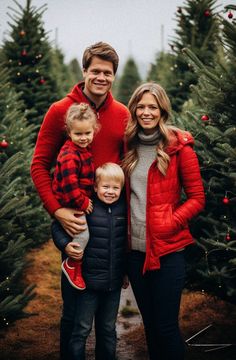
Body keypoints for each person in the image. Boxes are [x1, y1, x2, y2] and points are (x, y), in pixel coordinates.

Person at [30, 42, 129, 360]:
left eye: (108, 72)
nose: (101, 77)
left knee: (106, 323)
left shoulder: (122, 114)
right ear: (84, 71)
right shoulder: (61, 111)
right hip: (74, 219)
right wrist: (57, 210)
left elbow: (134, 157)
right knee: (75, 316)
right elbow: (38, 165)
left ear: (114, 75)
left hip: (110, 223)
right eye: (95, 71)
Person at [121, 82, 205, 360]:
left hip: (168, 252)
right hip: (135, 256)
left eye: (152, 107)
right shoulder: (127, 147)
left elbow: (196, 198)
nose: (146, 112)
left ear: (162, 111)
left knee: (166, 327)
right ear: (134, 109)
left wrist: (170, 221)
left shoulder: (180, 149)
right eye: (141, 106)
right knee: (151, 327)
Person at [52, 162, 127, 360]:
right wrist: (65, 246)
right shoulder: (86, 208)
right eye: (105, 187)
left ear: (122, 188)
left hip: (113, 284)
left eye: (115, 187)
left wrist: (124, 273)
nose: (110, 192)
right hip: (88, 284)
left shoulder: (123, 210)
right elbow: (58, 228)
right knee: (82, 329)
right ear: (95, 187)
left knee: (108, 330)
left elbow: (124, 245)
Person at [52, 103, 99, 290]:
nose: (83, 138)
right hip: (70, 202)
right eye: (78, 134)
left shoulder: (82, 150)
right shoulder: (70, 155)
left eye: (87, 133)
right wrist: (83, 201)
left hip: (76, 199)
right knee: (83, 235)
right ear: (69, 132)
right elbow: (71, 186)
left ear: (94, 130)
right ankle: (72, 264)